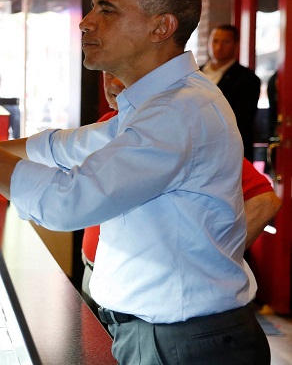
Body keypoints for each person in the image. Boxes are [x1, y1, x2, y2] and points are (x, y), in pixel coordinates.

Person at [0, 0, 270, 363]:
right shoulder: (158, 102)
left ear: (162, 27)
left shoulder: (177, 110)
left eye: (107, 10)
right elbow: (59, 147)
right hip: (165, 334)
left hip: (184, 344)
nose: (85, 23)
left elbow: (65, 203)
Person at [80, 71, 282, 315]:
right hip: (95, 276)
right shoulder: (109, 122)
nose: (116, 82)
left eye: (124, 71)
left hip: (140, 296)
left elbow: (264, 202)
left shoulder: (175, 129)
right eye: (108, 72)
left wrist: (212, 261)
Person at [201, 24, 261, 161]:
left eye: (225, 42)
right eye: (215, 41)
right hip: (196, 150)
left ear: (236, 45)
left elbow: (242, 119)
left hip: (229, 152)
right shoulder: (195, 73)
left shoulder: (248, 79)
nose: (219, 47)